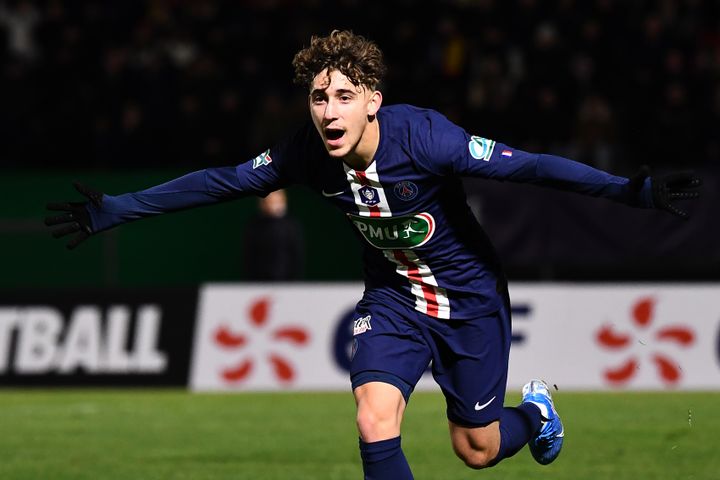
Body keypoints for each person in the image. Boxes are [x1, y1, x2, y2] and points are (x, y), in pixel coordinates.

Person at [46, 30, 701, 478]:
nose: (328, 110)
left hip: (468, 299)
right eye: (318, 96)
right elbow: (221, 181)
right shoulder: (304, 152)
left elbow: (529, 167)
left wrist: (632, 192)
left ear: (372, 102)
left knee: (475, 450)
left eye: (343, 96)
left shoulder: (426, 138)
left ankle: (534, 412)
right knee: (372, 416)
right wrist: (117, 210)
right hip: (391, 298)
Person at [243, 189, 305, 281]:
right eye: (268, 201)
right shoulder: (254, 225)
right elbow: (249, 256)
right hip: (258, 281)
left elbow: (296, 256)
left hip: (285, 281)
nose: (271, 205)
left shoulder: (290, 225)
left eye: (275, 201)